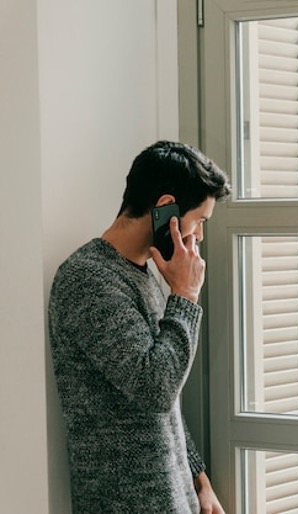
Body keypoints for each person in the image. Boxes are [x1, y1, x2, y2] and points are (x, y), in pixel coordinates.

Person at [48, 141, 231, 513]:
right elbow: (154, 389)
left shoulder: (142, 276)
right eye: (199, 222)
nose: (199, 237)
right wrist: (185, 294)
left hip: (172, 498)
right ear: (167, 209)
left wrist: (199, 480)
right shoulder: (88, 280)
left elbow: (167, 397)